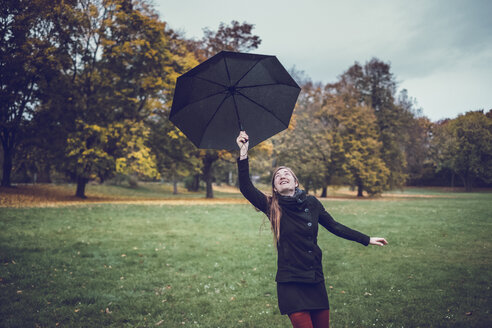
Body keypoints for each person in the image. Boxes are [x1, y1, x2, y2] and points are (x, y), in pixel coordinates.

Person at [236, 131, 388, 328]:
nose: (282, 176)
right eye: (278, 176)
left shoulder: (312, 203)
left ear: (295, 182)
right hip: (290, 281)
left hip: (314, 276)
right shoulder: (272, 206)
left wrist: (366, 239)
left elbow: (334, 226)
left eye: (287, 174)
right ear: (274, 187)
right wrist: (243, 152)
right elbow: (246, 187)